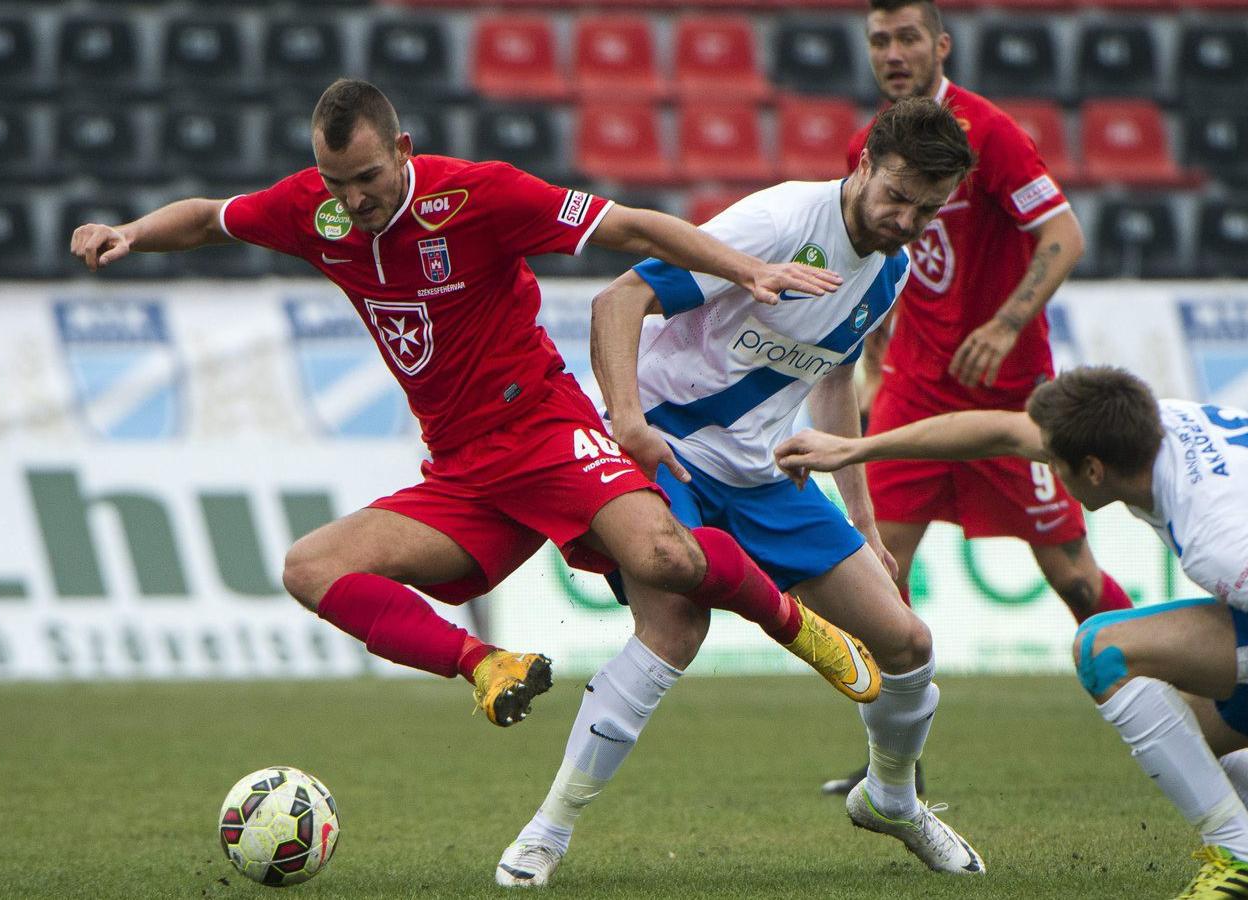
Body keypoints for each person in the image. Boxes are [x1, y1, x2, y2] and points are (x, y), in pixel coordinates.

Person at [67, 78, 876, 731]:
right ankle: (484, 664)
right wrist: (132, 231)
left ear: (403, 151)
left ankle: (794, 627)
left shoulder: (478, 196)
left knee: (668, 558)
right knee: (310, 568)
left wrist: (742, 269)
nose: (352, 201)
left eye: (368, 179)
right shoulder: (313, 210)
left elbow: (628, 225)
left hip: (546, 430)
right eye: (337, 183)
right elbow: (210, 218)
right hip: (464, 468)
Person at [494, 99, 984, 890]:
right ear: (862, 167)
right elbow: (619, 300)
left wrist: (862, 512)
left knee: (908, 646)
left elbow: (832, 374)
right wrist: (627, 424)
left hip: (761, 474)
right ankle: (548, 829)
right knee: (673, 628)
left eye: (928, 209)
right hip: (669, 448)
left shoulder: (890, 271)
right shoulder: (780, 222)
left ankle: (890, 799)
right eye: (897, 195)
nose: (906, 219)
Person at [776, 366, 1248, 900]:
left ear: (1091, 470)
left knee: (1103, 650)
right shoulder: (1146, 430)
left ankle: (1242, 864)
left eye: (1055, 466)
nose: (1047, 475)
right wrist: (856, 449)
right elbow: (1000, 430)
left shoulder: (1217, 535)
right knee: (1185, 741)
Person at [816, 0, 1136, 796]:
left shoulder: (987, 133)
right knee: (878, 571)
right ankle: (897, 766)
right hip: (914, 389)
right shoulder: (869, 148)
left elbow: (1064, 235)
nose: (893, 53)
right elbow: (871, 260)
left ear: (940, 45)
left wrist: (1004, 323)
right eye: (879, 41)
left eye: (908, 38)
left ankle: (1179, 698)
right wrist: (876, 353)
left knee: (1071, 572)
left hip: (1011, 395)